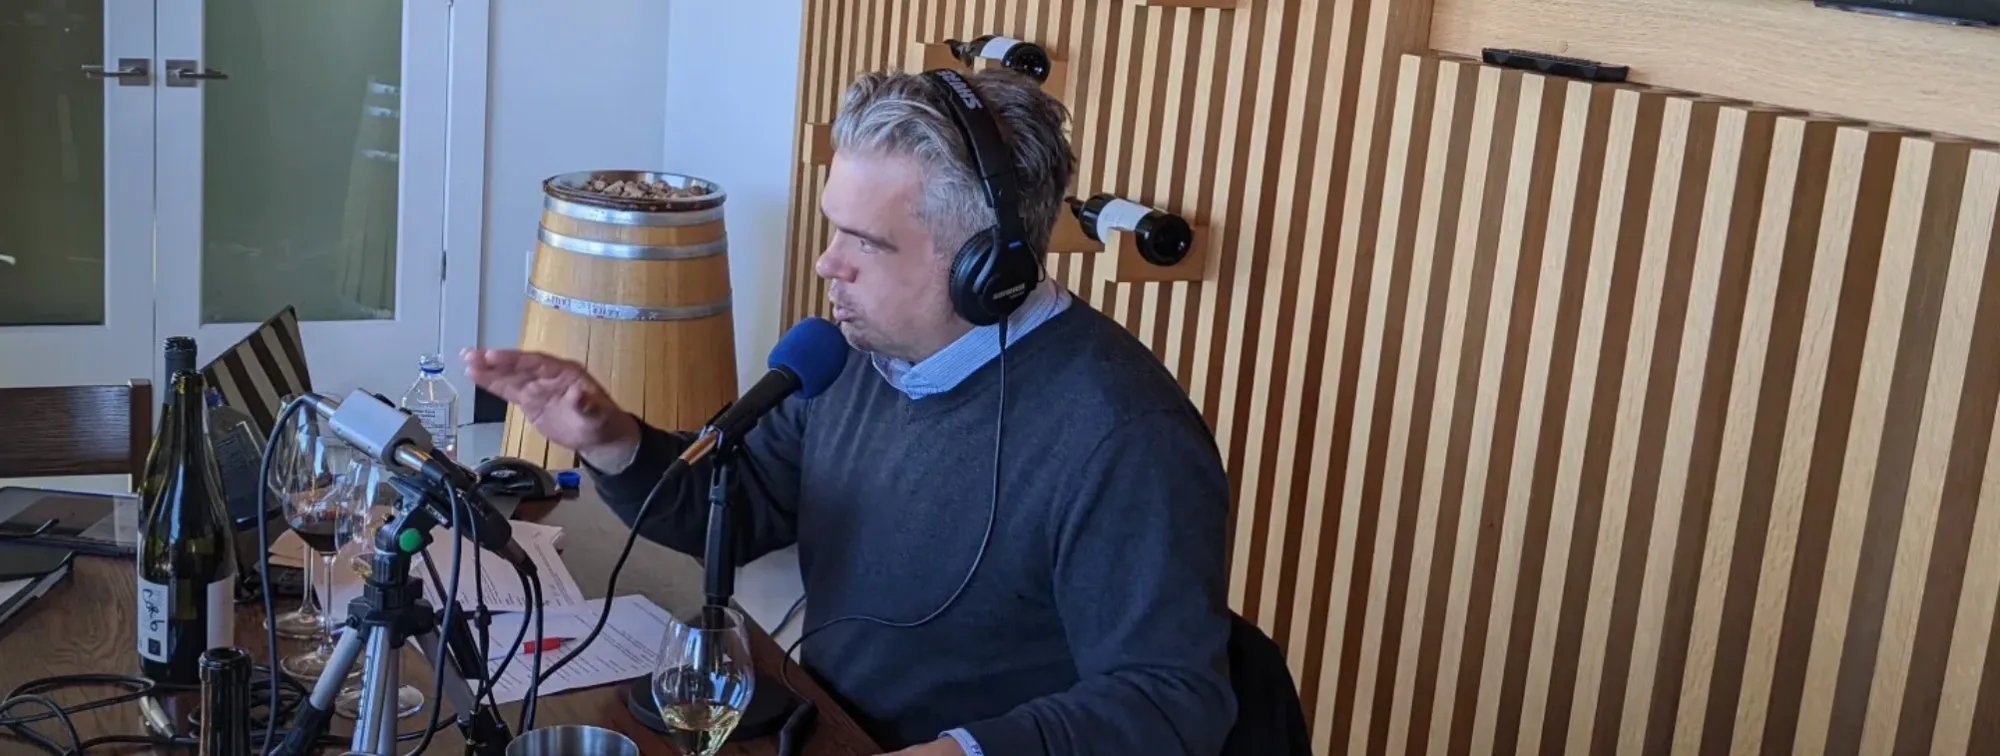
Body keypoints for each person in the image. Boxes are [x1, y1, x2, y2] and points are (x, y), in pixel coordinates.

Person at [465, 67, 1238, 755]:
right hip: (825, 723)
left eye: (865, 242)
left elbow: (1171, 701)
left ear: (986, 265)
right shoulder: (853, 356)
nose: (827, 262)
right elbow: (741, 506)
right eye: (835, 225)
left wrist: (962, 751)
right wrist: (613, 440)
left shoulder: (1124, 437)